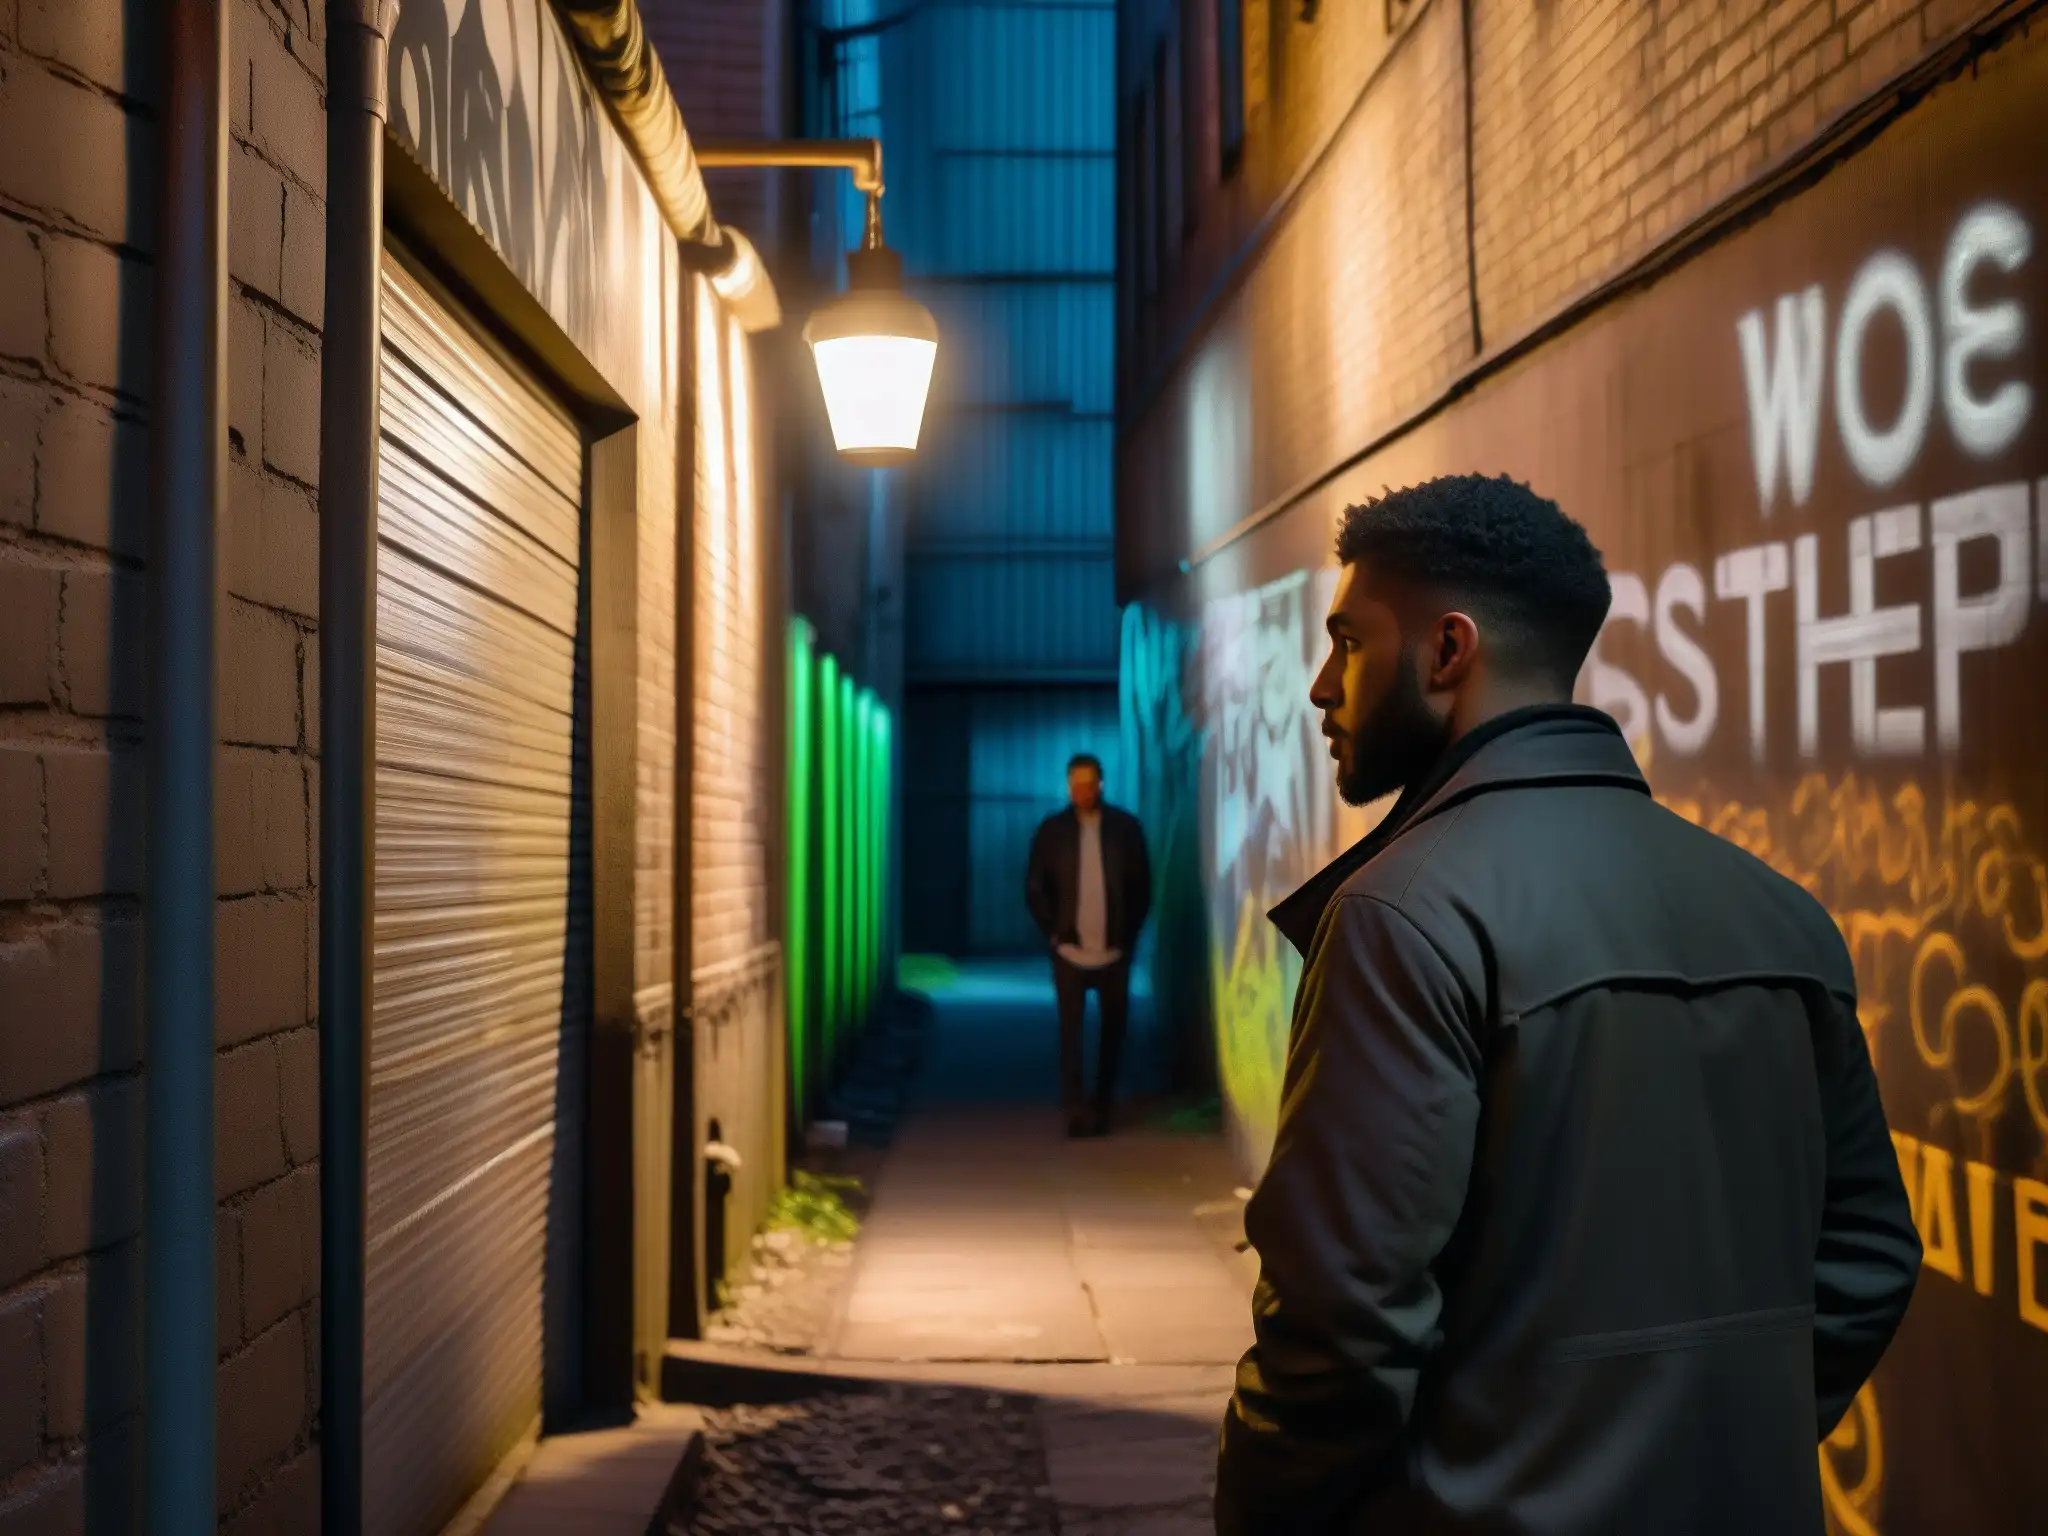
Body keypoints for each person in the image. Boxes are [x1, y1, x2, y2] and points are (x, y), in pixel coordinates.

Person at [1215, 475, 1920, 1535]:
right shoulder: (1780, 916)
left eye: (1348, 644)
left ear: (1446, 651)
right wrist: (1706, 1431)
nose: (1320, 687)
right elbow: (1866, 1255)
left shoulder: (1400, 919)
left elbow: (1335, 1332)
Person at [1025, 754, 1152, 1138]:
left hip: (1114, 950)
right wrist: (1052, 932)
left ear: (1101, 784)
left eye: (1089, 783)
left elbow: (1142, 887)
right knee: (1071, 1034)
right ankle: (1076, 1110)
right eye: (1075, 784)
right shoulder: (1053, 831)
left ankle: (1103, 1106)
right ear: (1068, 787)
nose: (1082, 790)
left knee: (1113, 1032)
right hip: (1070, 951)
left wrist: (1128, 936)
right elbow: (1035, 886)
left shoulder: (1125, 829)